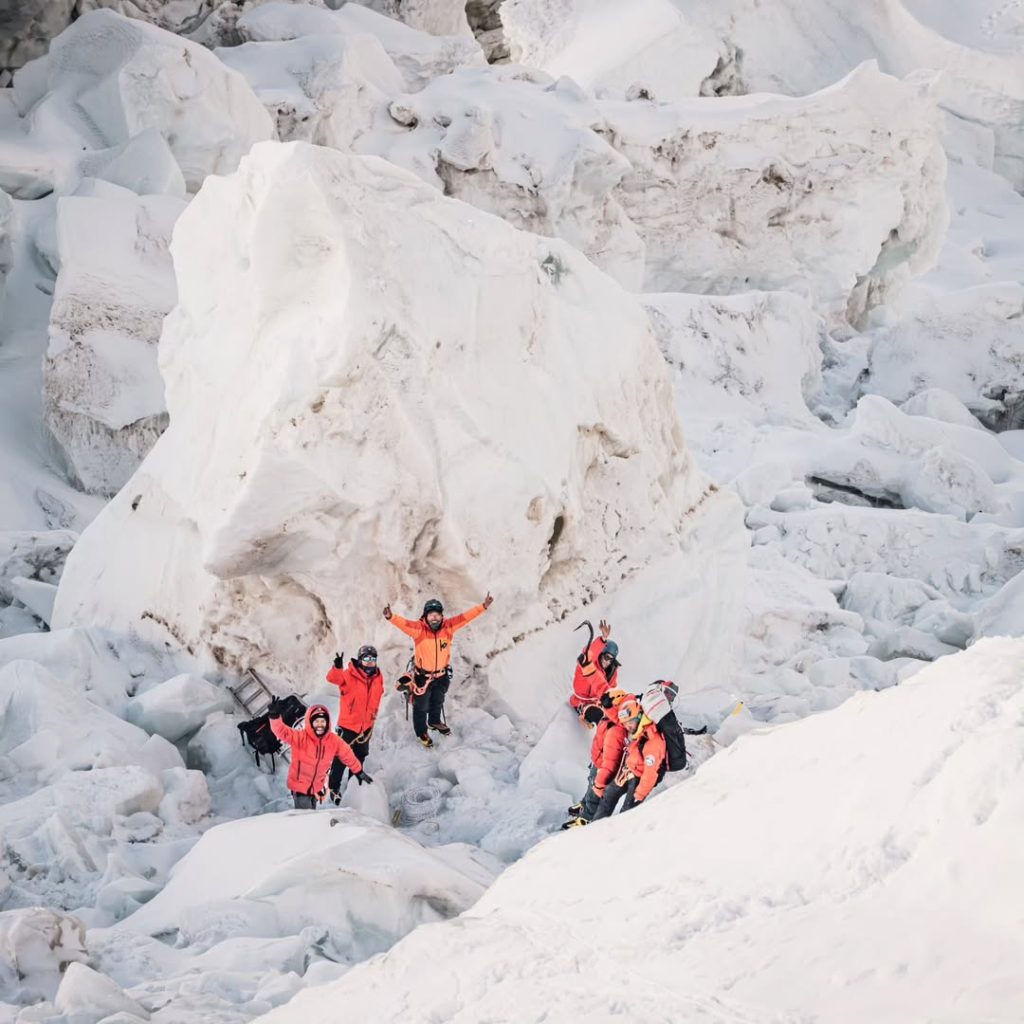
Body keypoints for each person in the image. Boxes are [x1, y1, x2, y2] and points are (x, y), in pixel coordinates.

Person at [385, 592, 493, 747]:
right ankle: (421, 732)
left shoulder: (448, 627)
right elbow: (404, 624)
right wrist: (391, 617)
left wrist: (483, 607)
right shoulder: (419, 630)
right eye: (431, 615)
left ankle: (434, 722)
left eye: (437, 615)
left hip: (441, 675)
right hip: (422, 676)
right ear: (425, 616)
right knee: (421, 707)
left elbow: (465, 617)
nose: (434, 618)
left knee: (438, 700)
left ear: (442, 616)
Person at [268, 700, 372, 809]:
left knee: (311, 814)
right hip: (300, 788)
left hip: (315, 788)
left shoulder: (333, 741)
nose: (320, 725)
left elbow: (347, 754)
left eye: (323, 721)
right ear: (310, 722)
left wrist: (358, 771)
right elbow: (282, 731)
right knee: (305, 818)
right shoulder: (300, 737)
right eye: (316, 721)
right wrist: (274, 716)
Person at [324, 645, 385, 804]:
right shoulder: (349, 674)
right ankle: (333, 788)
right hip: (348, 726)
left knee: (360, 756)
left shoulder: (378, 677)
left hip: (366, 727)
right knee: (341, 758)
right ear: (360, 660)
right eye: (366, 658)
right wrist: (337, 668)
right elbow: (333, 679)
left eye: (373, 659)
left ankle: (353, 786)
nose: (370, 662)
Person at [591, 697, 667, 821]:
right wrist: (608, 707)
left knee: (627, 812)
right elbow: (619, 719)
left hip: (638, 778)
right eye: (625, 723)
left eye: (630, 722)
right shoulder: (637, 731)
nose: (628, 726)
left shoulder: (653, 741)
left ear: (639, 717)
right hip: (628, 772)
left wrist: (639, 795)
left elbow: (650, 773)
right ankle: (592, 829)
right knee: (608, 796)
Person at [562, 688, 629, 829]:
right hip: (597, 761)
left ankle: (586, 817)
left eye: (606, 703)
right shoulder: (607, 717)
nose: (602, 705)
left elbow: (611, 760)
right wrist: (587, 712)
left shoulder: (616, 729)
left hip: (604, 766)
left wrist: (601, 778)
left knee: (596, 791)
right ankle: (584, 804)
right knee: (590, 784)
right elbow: (595, 712)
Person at [569, 619, 620, 723]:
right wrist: (603, 639)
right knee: (598, 715)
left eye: (611, 659)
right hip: (580, 701)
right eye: (606, 657)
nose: (608, 662)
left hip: (597, 703)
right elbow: (589, 653)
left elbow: (610, 690)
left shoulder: (611, 672)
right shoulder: (587, 665)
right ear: (601, 654)